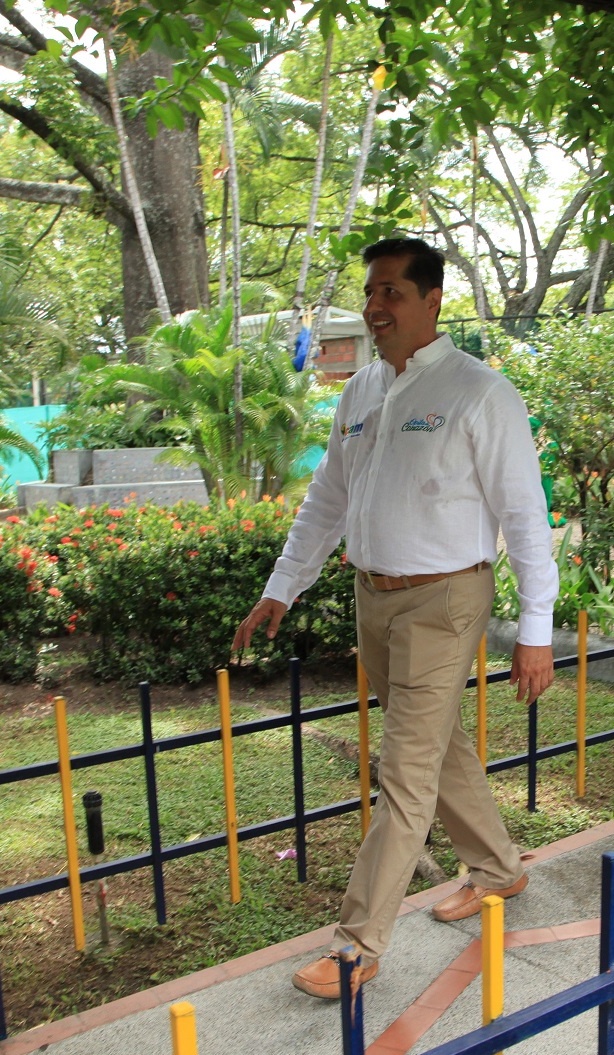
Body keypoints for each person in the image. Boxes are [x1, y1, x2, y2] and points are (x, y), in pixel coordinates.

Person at [232, 236, 557, 999]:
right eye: (371, 293)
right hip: (371, 598)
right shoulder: (362, 391)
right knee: (435, 746)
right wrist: (284, 585)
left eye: (391, 293)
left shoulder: (480, 392)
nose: (376, 307)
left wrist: (535, 633)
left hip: (445, 600)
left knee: (403, 769)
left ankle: (358, 945)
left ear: (431, 300)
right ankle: (499, 869)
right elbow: (328, 499)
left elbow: (525, 517)